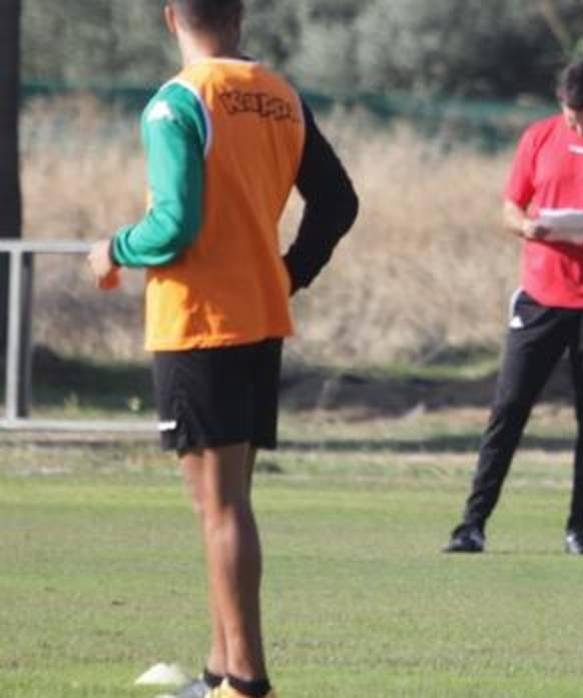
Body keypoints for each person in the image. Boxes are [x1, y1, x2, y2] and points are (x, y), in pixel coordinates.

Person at [86, 1, 358, 697]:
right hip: (259, 319)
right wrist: (288, 273)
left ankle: (247, 682)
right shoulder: (280, 95)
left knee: (220, 507)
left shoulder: (175, 103)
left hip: (199, 321)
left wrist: (113, 248)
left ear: (169, 17)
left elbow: (173, 225)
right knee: (227, 502)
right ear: (239, 15)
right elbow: (338, 202)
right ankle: (217, 671)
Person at [443, 59, 583, 556]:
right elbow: (509, 208)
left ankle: (578, 529)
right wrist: (526, 227)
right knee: (508, 409)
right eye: (570, 117)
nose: (578, 127)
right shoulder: (538, 137)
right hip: (540, 296)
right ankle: (472, 525)